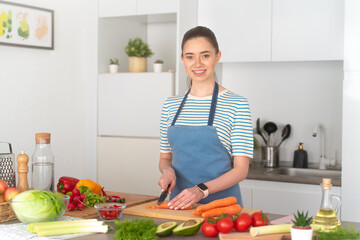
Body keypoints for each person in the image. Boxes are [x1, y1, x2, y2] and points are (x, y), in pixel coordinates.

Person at [158, 26, 253, 210]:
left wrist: (201, 190)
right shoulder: (170, 105)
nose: (198, 64)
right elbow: (165, 158)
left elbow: (241, 170)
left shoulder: (237, 104)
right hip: (179, 206)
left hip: (223, 207)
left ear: (217, 56)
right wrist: (168, 171)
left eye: (205, 55)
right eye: (190, 56)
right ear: (182, 59)